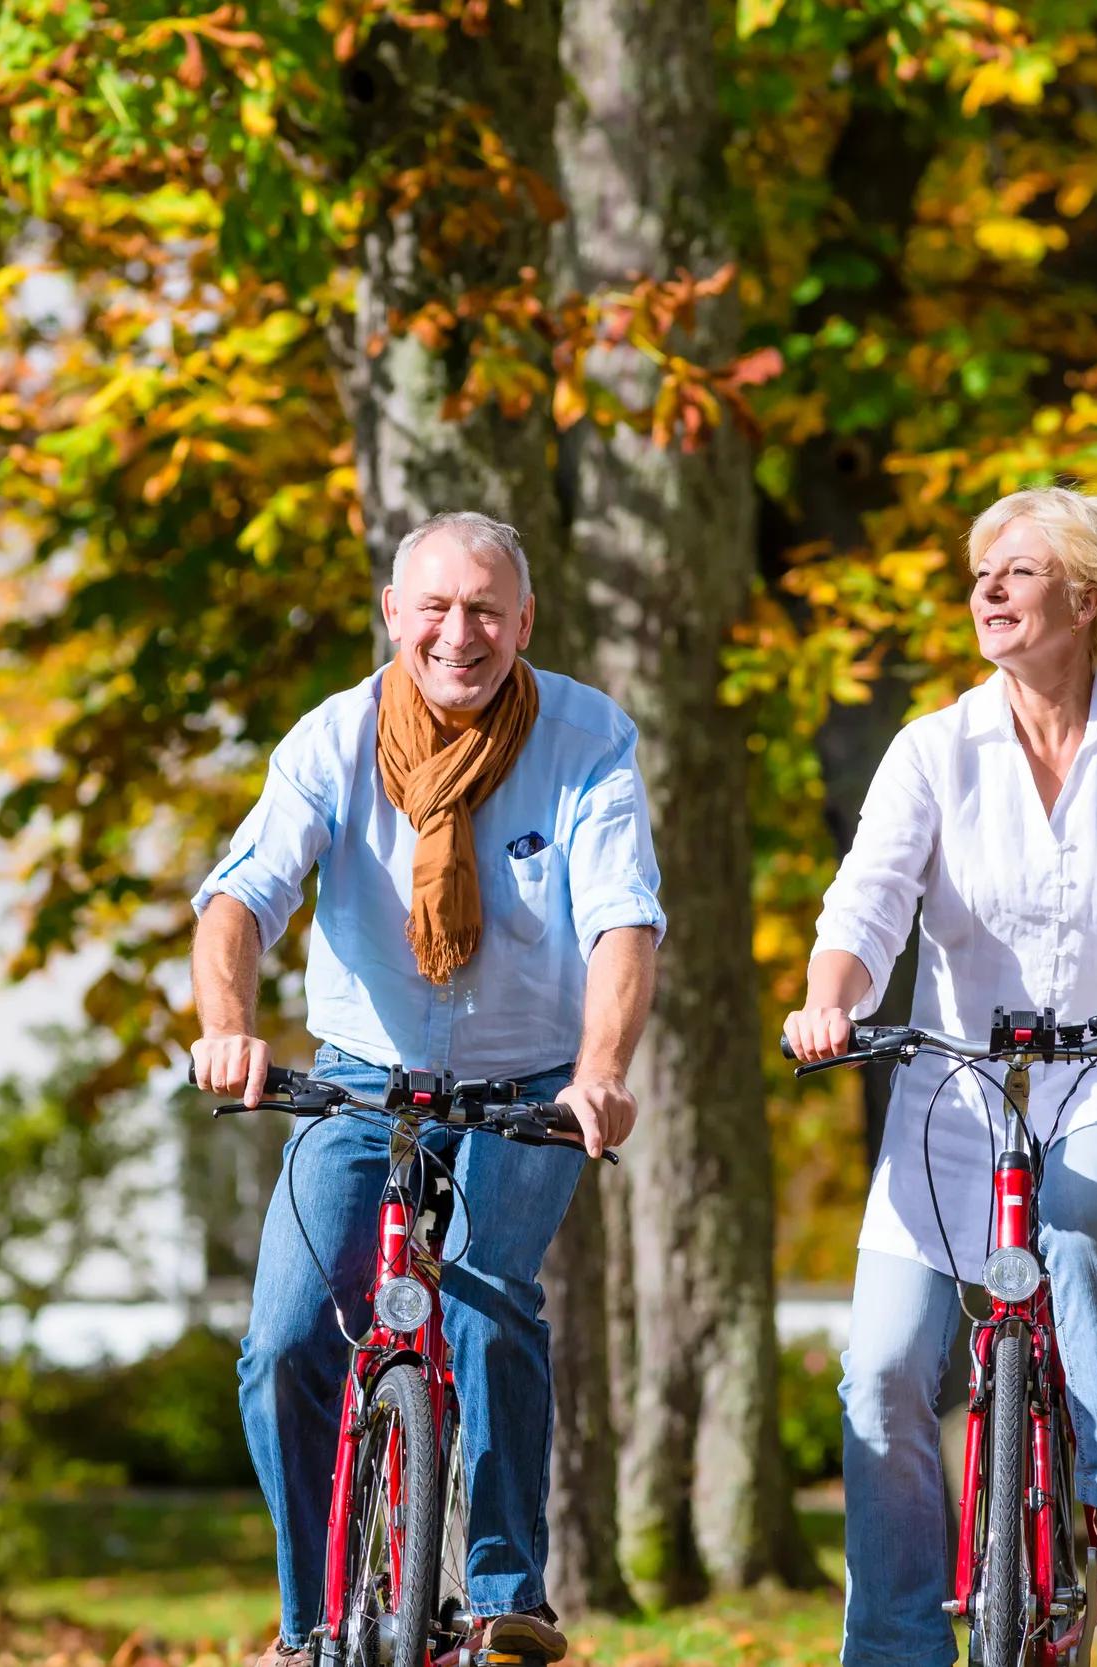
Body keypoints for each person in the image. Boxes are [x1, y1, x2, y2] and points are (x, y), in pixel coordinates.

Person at [781, 486, 1097, 1667]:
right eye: (980, 570)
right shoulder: (933, 747)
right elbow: (870, 896)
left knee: (1082, 1202)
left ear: (1087, 598)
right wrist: (830, 993)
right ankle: (891, 1643)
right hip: (954, 1092)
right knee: (882, 1367)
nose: (986, 588)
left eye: (1017, 570)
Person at [189, 510, 665, 1667]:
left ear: (524, 622)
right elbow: (239, 898)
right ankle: (308, 1622)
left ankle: (508, 1598)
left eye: (488, 609)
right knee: (288, 1335)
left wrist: (598, 1075)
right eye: (437, 608)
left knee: (488, 1299)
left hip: (526, 1077)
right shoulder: (334, 740)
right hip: (364, 1074)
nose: (463, 633)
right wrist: (227, 1028)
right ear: (394, 616)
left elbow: (620, 919)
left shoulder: (586, 734)